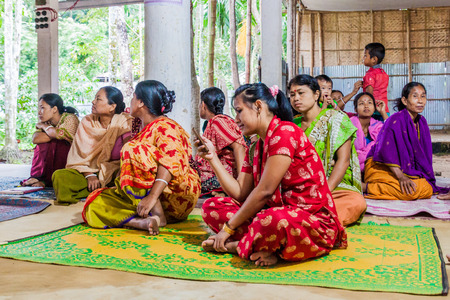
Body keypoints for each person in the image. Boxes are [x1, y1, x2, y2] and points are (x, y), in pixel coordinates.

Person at [197, 83, 347, 267]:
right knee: (213, 206)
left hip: (310, 222)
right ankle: (264, 245)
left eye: (239, 111)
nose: (236, 119)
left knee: (273, 220)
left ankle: (238, 246)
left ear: (259, 106)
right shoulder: (256, 146)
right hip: (270, 214)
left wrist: (228, 229)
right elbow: (240, 193)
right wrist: (212, 158)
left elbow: (265, 192)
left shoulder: (285, 132)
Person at [83, 80, 201, 235]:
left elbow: (171, 163)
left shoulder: (166, 126)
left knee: (132, 149)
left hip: (174, 196)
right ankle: (143, 222)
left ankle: (157, 213)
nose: (130, 101)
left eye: (133, 97)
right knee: (94, 202)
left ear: (140, 103)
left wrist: (152, 197)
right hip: (146, 199)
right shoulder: (142, 127)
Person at [289, 75, 366, 226]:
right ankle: (311, 221)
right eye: (292, 95)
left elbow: (343, 162)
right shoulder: (292, 125)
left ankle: (304, 221)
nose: (296, 98)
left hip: (332, 187)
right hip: (300, 187)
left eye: (301, 93)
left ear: (316, 94)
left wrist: (324, 192)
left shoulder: (337, 119)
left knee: (356, 202)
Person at [364, 82, 450, 200]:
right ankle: (367, 187)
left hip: (405, 169)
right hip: (380, 166)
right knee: (411, 191)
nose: (420, 100)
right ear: (405, 101)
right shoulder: (395, 120)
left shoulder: (422, 122)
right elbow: (384, 151)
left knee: (426, 188)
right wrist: (401, 177)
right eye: (415, 96)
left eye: (423, 96)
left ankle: (382, 186)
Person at [52, 86, 133, 204]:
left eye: (98, 99)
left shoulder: (125, 122)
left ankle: (100, 191)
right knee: (59, 177)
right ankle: (102, 192)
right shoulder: (87, 122)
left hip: (114, 172)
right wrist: (89, 175)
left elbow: (129, 153)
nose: (93, 102)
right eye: (94, 98)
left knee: (125, 179)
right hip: (87, 171)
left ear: (112, 106)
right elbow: (78, 157)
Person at [195, 87, 247, 196]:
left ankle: (222, 192)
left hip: (226, 175)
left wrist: (242, 181)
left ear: (203, 105)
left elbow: (238, 146)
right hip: (220, 172)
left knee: (188, 181)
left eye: (200, 104)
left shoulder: (218, 122)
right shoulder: (217, 121)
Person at [21, 94, 79, 187]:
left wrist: (44, 127)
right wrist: (52, 133)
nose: (39, 112)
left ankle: (47, 181)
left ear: (54, 109)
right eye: (39, 108)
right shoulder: (48, 121)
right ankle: (37, 177)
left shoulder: (70, 118)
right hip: (54, 157)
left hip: (72, 158)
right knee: (43, 143)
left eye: (42, 108)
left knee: (59, 143)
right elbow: (35, 139)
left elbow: (58, 135)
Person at [350, 92, 387, 174]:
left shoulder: (378, 126)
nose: (366, 106)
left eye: (369, 103)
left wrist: (383, 112)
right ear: (355, 109)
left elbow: (390, 135)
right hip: (350, 166)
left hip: (373, 166)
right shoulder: (349, 124)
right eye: (361, 103)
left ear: (374, 108)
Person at [362, 42, 390, 120]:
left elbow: (369, 95)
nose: (363, 58)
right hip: (384, 110)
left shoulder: (370, 74)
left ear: (374, 59)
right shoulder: (383, 73)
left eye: (365, 56)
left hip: (374, 112)